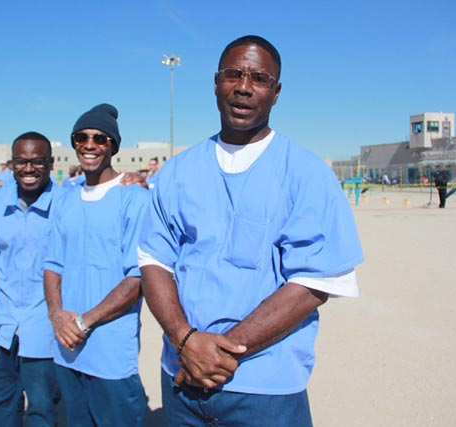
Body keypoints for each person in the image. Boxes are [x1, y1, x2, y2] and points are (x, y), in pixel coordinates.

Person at [138, 35, 364, 426]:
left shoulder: (307, 174)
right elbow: (154, 260)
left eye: (259, 78)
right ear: (215, 82)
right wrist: (185, 340)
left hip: (265, 391)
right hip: (180, 379)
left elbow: (313, 283)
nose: (244, 86)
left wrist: (217, 356)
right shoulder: (178, 172)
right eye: (233, 74)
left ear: (276, 93)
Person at [43, 103, 149, 427]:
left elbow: (137, 278)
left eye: (100, 138)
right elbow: (52, 264)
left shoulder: (135, 199)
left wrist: (84, 322)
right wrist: (57, 316)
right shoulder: (64, 200)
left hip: (110, 356)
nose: (90, 145)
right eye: (82, 137)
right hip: (67, 351)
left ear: (113, 146)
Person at [0, 131, 63, 426]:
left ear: (50, 163)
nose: (29, 168)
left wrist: (132, 183)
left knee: (42, 409)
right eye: (21, 161)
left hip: (45, 333)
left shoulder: (68, 204)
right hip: (3, 328)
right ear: (11, 164)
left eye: (38, 161)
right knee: (2, 404)